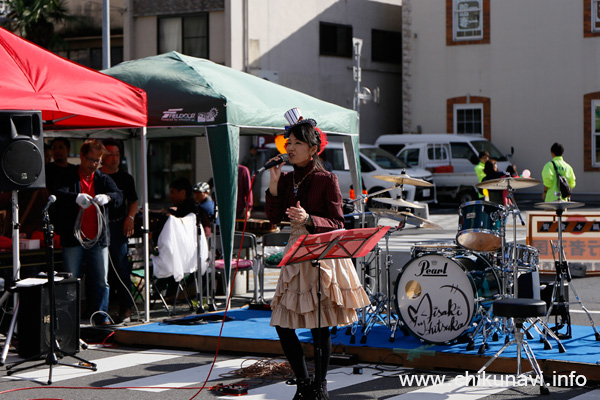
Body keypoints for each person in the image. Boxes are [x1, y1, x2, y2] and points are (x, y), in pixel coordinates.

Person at [265, 108, 370, 399]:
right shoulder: (286, 179)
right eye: (289, 143)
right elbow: (273, 217)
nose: (290, 148)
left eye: (297, 143)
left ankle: (320, 385)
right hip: (296, 253)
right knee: (283, 323)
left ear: (313, 148)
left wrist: (309, 219)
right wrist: (273, 184)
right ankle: (302, 382)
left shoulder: (327, 179)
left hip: (322, 253)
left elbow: (338, 222)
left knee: (320, 323)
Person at [53, 139, 123, 325]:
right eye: (92, 160)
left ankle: (100, 316)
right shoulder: (69, 176)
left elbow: (119, 196)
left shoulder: (102, 179)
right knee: (71, 280)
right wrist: (74, 197)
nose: (94, 165)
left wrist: (108, 197)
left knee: (101, 280)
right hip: (74, 238)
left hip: (98, 239)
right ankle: (69, 320)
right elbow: (57, 194)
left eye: (98, 161)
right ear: (82, 157)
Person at [100, 139, 139, 323]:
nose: (114, 158)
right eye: (110, 154)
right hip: (98, 227)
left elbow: (134, 201)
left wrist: (129, 218)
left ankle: (126, 309)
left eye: (117, 154)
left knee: (122, 267)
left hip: (118, 225)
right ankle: (102, 311)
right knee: (100, 270)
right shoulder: (97, 176)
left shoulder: (126, 178)